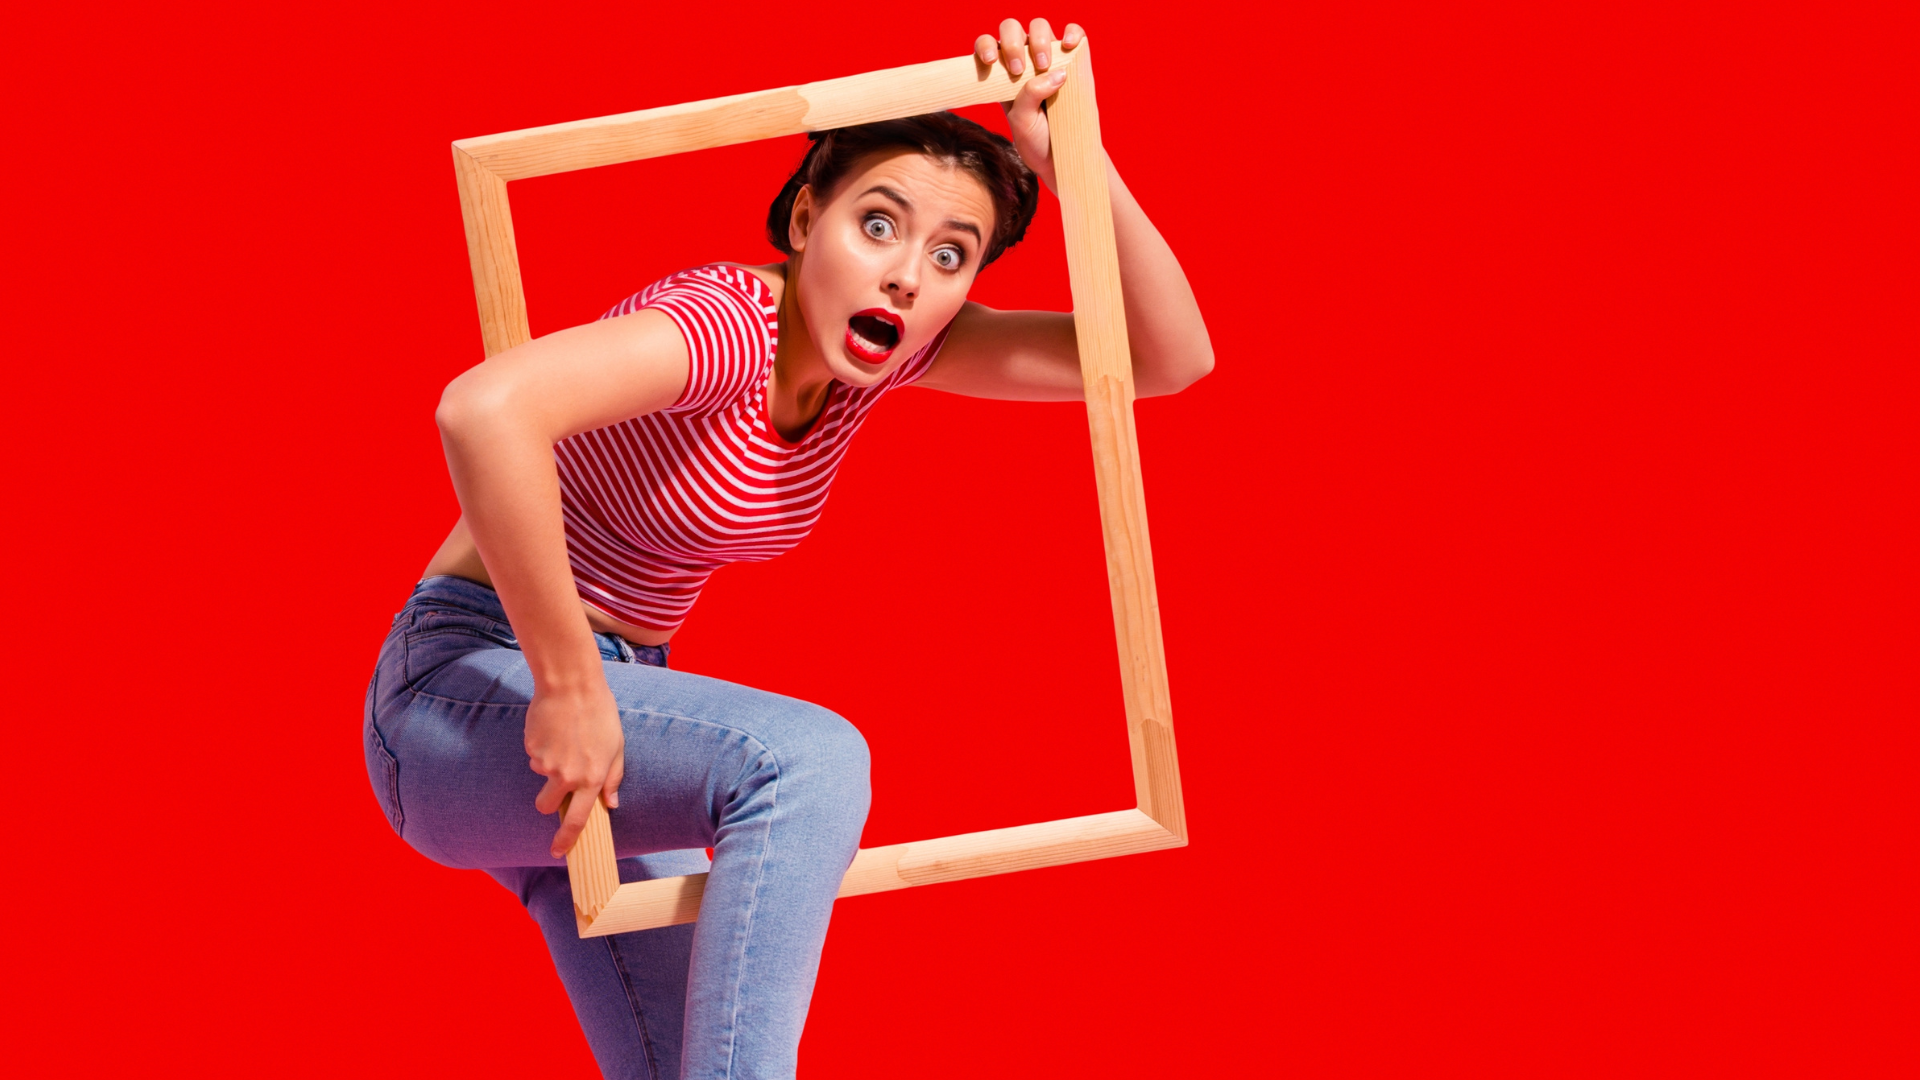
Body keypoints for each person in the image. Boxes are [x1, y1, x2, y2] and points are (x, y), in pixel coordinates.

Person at [363, 18, 1211, 1080]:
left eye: (950, 254)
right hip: (468, 695)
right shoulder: (725, 326)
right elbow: (483, 410)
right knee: (806, 762)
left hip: (625, 723)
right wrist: (569, 686)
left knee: (685, 1062)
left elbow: (1167, 357)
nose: (907, 276)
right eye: (879, 224)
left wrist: (1066, 151)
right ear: (807, 216)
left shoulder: (897, 354)